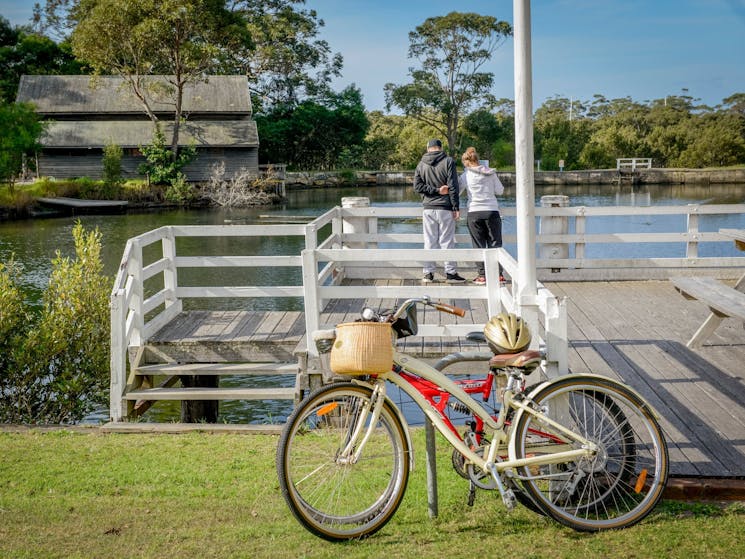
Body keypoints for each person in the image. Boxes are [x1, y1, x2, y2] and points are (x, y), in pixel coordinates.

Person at [413, 139, 466, 283]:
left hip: (428, 209)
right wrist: (455, 207)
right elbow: (453, 186)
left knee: (429, 241)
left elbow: (417, 187)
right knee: (447, 241)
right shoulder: (448, 161)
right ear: (440, 148)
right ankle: (450, 273)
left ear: (428, 148)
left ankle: (428, 273)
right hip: (445, 208)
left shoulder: (421, 164)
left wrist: (434, 190)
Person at [458, 146, 505, 285]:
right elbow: (500, 191)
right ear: (478, 160)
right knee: (495, 244)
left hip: (474, 212)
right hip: (491, 211)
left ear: (466, 162)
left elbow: (458, 191)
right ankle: (498, 275)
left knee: (478, 245)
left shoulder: (465, 175)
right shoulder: (491, 173)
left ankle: (482, 276)